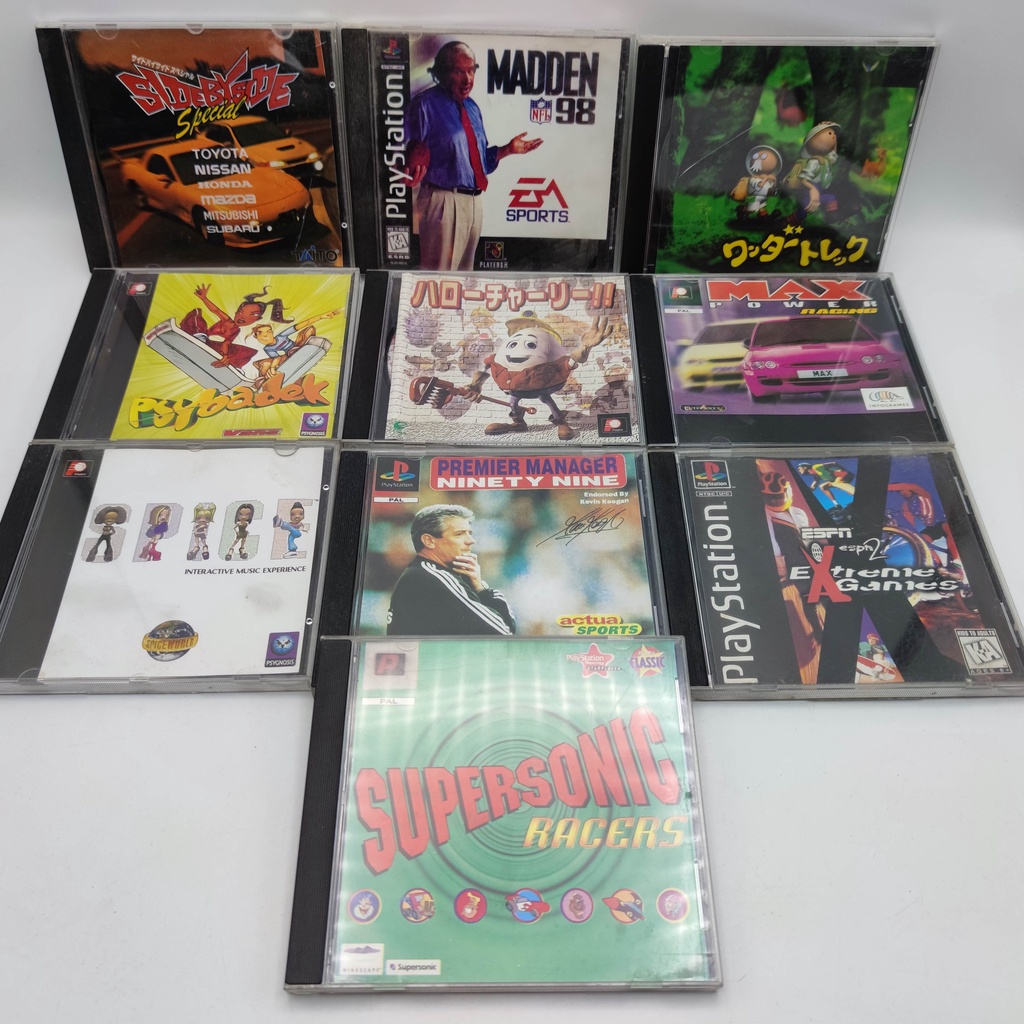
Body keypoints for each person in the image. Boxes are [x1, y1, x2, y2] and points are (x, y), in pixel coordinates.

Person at [406, 41, 543, 270]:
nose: (467, 79)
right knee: (438, 279)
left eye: (471, 70)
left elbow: (479, 163)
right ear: (443, 72)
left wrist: (508, 149)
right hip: (443, 202)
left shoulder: (472, 108)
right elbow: (407, 154)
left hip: (474, 203)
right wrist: (409, 172)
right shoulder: (424, 105)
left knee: (464, 279)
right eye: (459, 71)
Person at [387, 504, 515, 635]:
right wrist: (483, 591)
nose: (471, 541)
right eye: (459, 534)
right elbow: (504, 631)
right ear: (429, 541)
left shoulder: (421, 572)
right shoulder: (435, 577)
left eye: (469, 533)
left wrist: (479, 586)